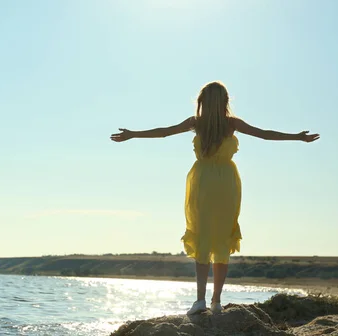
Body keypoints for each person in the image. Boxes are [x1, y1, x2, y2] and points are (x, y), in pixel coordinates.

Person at [110, 81, 319, 315]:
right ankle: (216, 301)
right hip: (226, 183)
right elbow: (265, 135)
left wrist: (132, 135)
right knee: (221, 239)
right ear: (225, 102)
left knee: (203, 237)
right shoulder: (231, 124)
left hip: (202, 182)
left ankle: (200, 300)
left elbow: (164, 132)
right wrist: (297, 137)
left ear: (203, 102)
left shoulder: (196, 123)